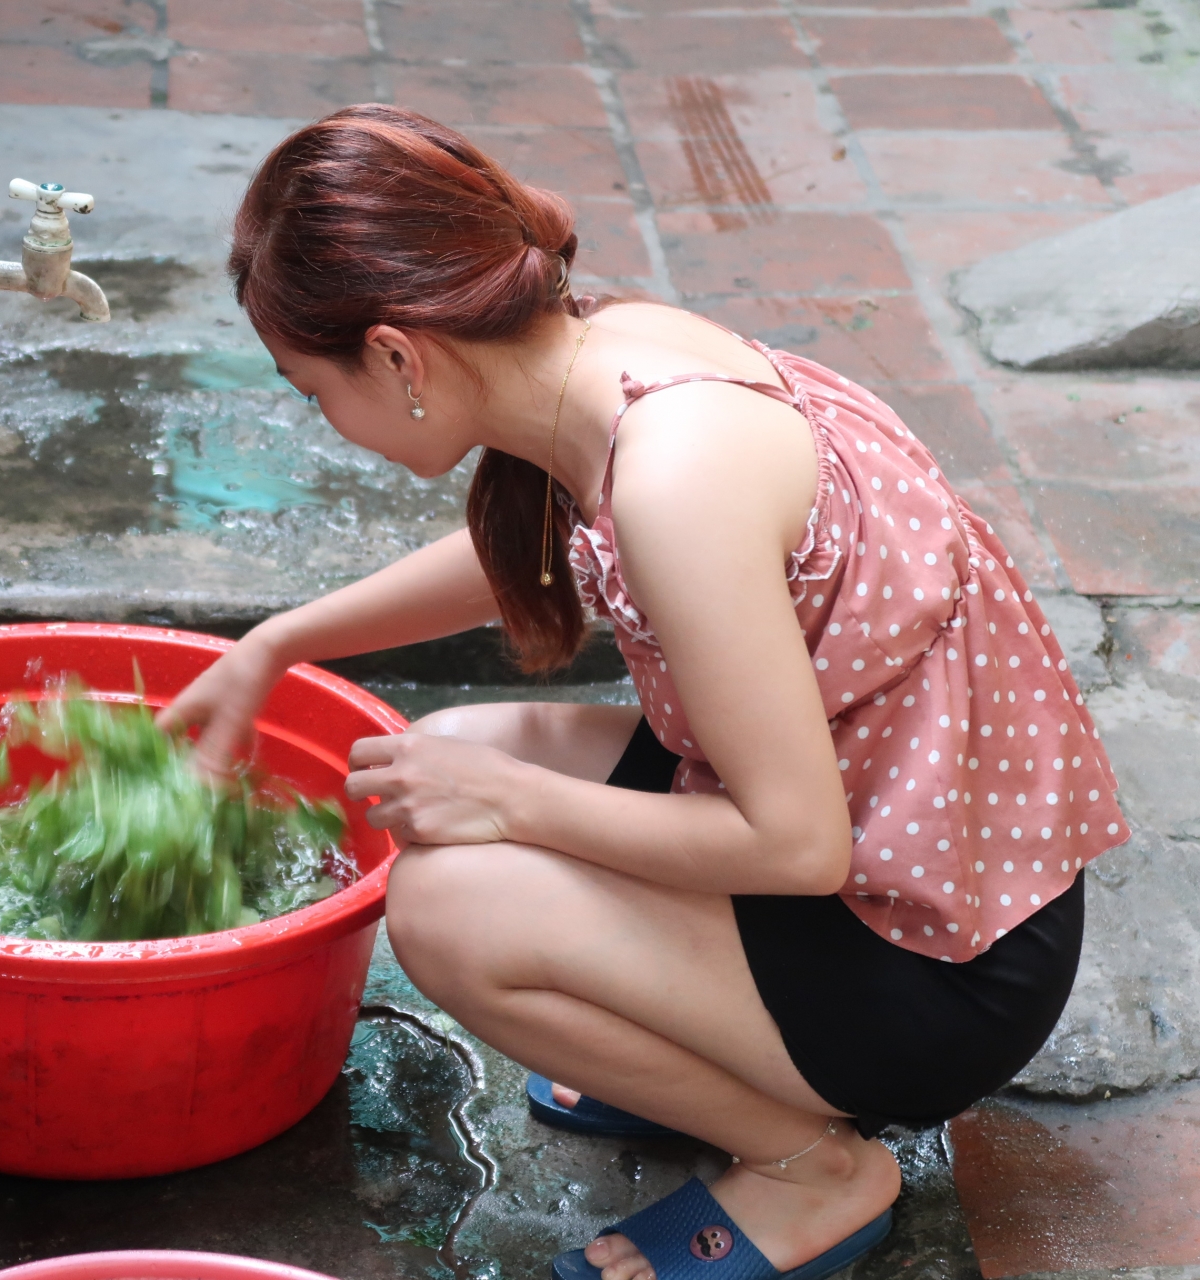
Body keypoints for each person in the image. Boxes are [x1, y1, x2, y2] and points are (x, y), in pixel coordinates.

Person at [159, 105, 1128, 1280]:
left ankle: (807, 1165)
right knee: (455, 744)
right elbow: (527, 558)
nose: (322, 420)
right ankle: (688, 1048)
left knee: (447, 907)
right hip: (932, 852)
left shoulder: (679, 478)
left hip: (939, 963)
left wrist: (510, 803)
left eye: (312, 388)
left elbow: (795, 840)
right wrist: (279, 643)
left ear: (398, 354)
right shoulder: (606, 346)